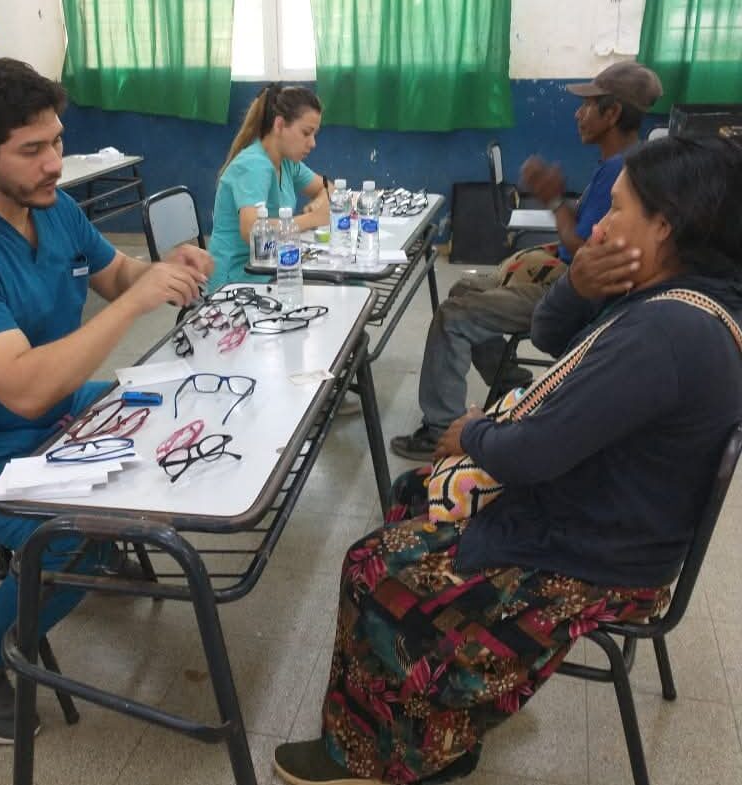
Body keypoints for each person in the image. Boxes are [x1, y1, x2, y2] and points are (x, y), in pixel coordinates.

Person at [272, 135, 742, 784]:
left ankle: (361, 750)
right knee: (414, 492)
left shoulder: (667, 330)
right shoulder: (674, 296)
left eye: (619, 210)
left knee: (369, 566)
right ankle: (440, 718)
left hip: (599, 557)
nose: (599, 222)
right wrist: (576, 284)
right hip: (618, 516)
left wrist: (471, 432)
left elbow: (534, 453)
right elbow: (553, 340)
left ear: (663, 228)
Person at [0, 57, 212, 744]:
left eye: (58, 141)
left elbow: (115, 273)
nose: (53, 162)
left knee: (182, 405)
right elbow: (24, 387)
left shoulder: (55, 206)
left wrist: (162, 268)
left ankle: (100, 547)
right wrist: (134, 301)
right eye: (33, 149)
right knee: (72, 545)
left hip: (60, 411)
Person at [391, 62, 663, 461]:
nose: (577, 112)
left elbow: (587, 251)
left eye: (588, 105)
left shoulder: (620, 170)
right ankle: (510, 384)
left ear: (613, 114)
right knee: (463, 289)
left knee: (454, 315)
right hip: (569, 276)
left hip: (575, 292)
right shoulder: (620, 162)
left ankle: (439, 430)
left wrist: (553, 198)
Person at [208, 83, 330, 290]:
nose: (312, 143)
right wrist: (312, 218)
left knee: (345, 281)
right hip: (238, 278)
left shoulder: (287, 161)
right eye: (306, 133)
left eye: (314, 134)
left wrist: (319, 201)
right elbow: (251, 230)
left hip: (270, 263)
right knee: (333, 289)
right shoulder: (254, 165)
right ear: (280, 125)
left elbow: (328, 188)